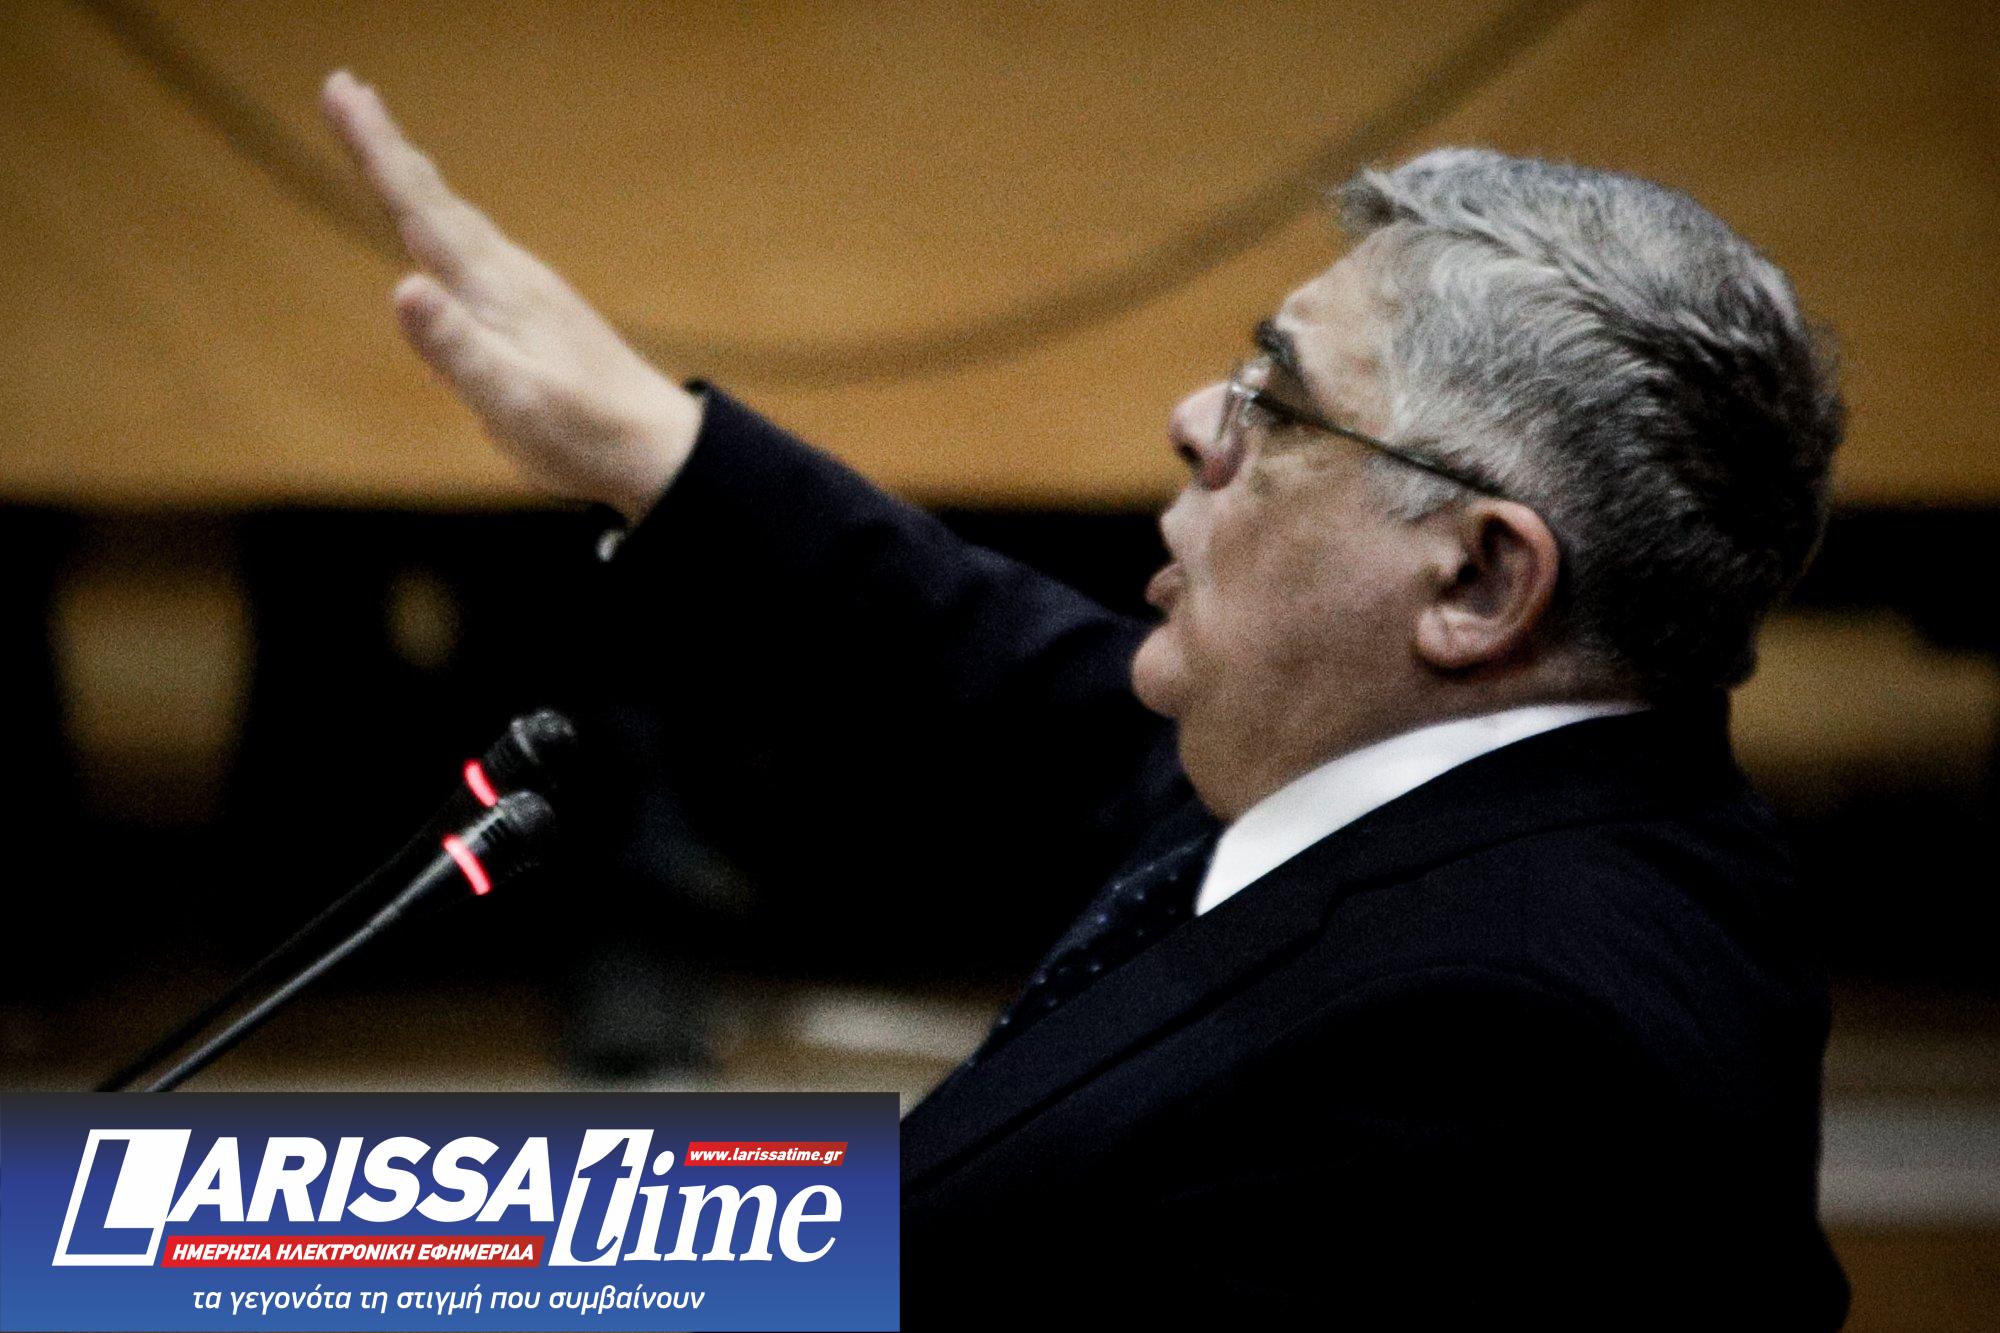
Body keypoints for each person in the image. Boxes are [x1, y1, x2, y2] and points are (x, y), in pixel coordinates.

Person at [321, 70, 1850, 1327]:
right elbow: (1008, 675)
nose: (1194, 421)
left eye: (1278, 402)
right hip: (821, 1247)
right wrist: (647, 447)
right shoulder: (1488, 788)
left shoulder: (1495, 1058)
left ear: (1477, 579)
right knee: (226, 1226)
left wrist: (405, 1264)